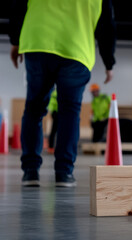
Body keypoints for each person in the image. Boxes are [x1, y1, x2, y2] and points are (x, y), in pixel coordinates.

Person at [9, 0, 116, 187]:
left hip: (38, 43)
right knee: (70, 113)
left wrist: (15, 41)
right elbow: (106, 27)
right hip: (76, 49)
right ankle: (64, 173)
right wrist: (109, 63)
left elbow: (18, 8)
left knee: (34, 109)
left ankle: (30, 172)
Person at [47, 89, 58, 154]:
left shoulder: (53, 93)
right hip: (58, 113)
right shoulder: (55, 93)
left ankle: (51, 147)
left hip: (55, 113)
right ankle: (51, 147)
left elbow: (50, 104)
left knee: (53, 131)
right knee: (55, 131)